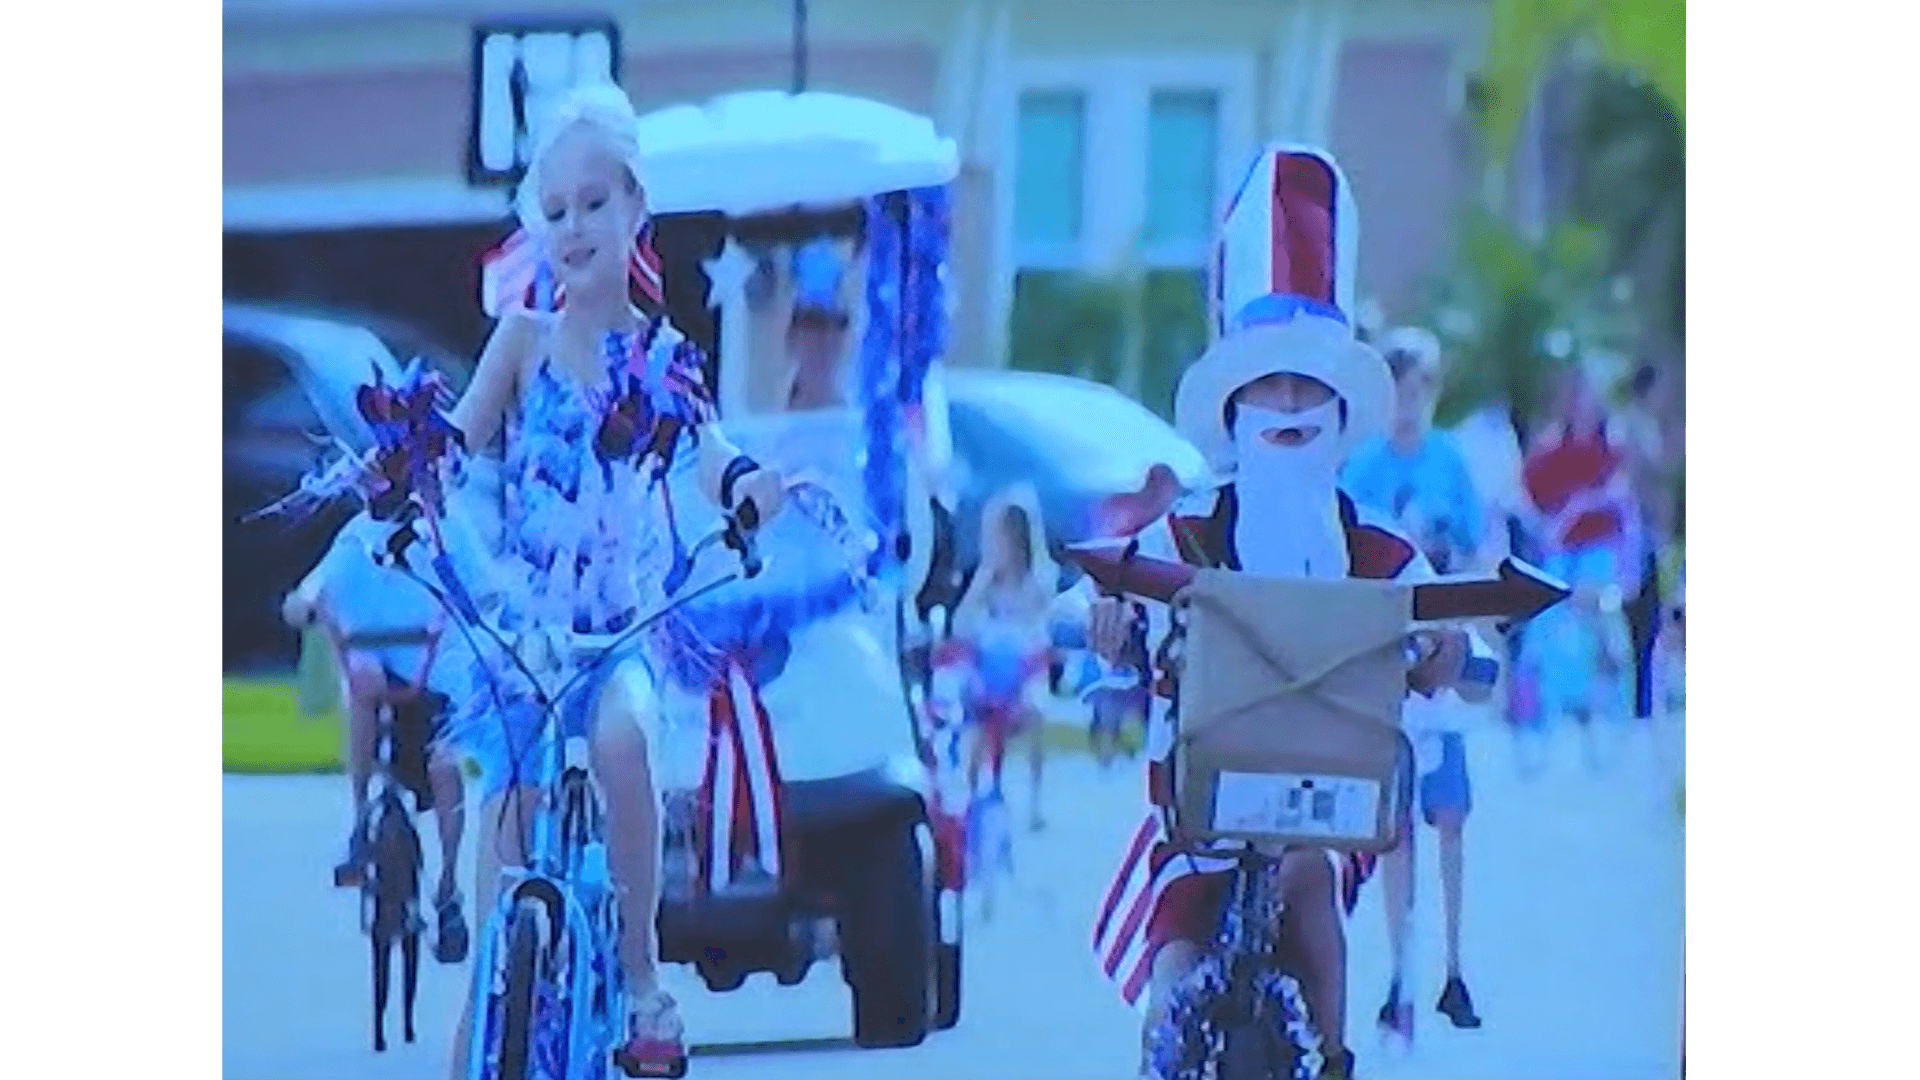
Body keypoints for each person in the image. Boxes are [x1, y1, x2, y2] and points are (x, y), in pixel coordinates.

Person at [1083, 145, 1496, 1080]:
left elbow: (1460, 642)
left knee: (1311, 884)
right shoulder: (1183, 532)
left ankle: (1336, 1054)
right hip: (1198, 816)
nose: (1288, 401)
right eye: (1267, 382)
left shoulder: (1376, 548)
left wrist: (1445, 652)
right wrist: (1100, 621)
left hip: (1321, 809)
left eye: (1309, 383)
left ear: (1342, 406)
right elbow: (1094, 593)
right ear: (1230, 404)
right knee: (1177, 963)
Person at [436, 83, 789, 1080]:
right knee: (500, 864)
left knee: (626, 736)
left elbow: (707, 448)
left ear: (637, 207)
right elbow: (460, 439)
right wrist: (413, 465)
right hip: (522, 646)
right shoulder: (521, 340)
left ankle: (639, 973)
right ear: (536, 229)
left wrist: (744, 484)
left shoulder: (663, 354)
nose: (575, 225)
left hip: (615, 635)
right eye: (555, 211)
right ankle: (486, 1038)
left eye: (596, 203)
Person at [1341, 326, 1487, 1038]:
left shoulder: (1450, 462)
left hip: (1444, 657)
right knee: (1394, 827)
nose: (1409, 402)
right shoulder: (1363, 468)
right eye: (1399, 388)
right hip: (1386, 662)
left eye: (1421, 388)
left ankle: (1453, 966)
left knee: (1450, 816)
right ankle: (1399, 969)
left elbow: (1480, 544)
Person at [281, 512, 472, 964]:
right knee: (363, 690)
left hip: (435, 668)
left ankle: (447, 886)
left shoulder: (446, 528)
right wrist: (301, 606)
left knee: (444, 764)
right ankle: (360, 815)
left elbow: (479, 585)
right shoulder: (357, 535)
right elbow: (314, 588)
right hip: (376, 657)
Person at [1515, 363, 1637, 770]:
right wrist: (1548, 526)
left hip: (1600, 552)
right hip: (1561, 554)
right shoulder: (1549, 449)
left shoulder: (1613, 447)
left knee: (1604, 630)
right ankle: (1538, 731)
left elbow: (1625, 507)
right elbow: (1526, 502)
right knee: (1544, 634)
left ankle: (1609, 730)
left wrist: (1626, 564)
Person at [949, 486, 1057, 835]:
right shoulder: (986, 581)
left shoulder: (1037, 581)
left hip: (1022, 669)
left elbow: (1038, 628)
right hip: (988, 668)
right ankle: (967, 792)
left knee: (1035, 712)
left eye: (1002, 539)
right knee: (972, 717)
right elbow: (961, 623)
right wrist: (983, 578)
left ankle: (1035, 801)